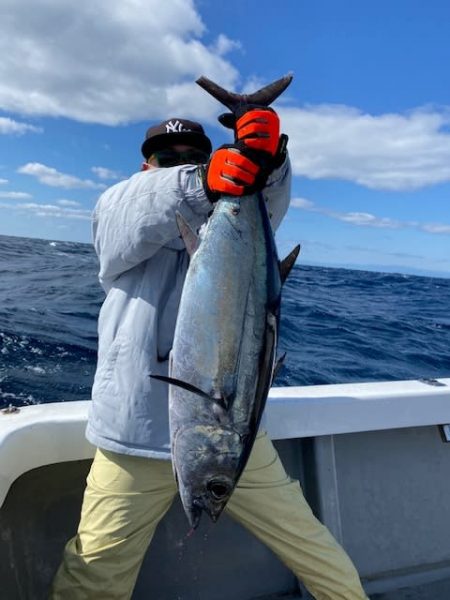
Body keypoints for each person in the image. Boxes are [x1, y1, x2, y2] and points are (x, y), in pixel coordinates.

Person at [50, 109, 369, 600]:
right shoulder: (121, 215)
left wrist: (269, 162)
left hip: (235, 443)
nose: (180, 163)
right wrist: (199, 179)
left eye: (195, 156)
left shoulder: (232, 214)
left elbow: (268, 207)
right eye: (166, 158)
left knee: (318, 554)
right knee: (93, 578)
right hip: (131, 439)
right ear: (146, 167)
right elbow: (124, 215)